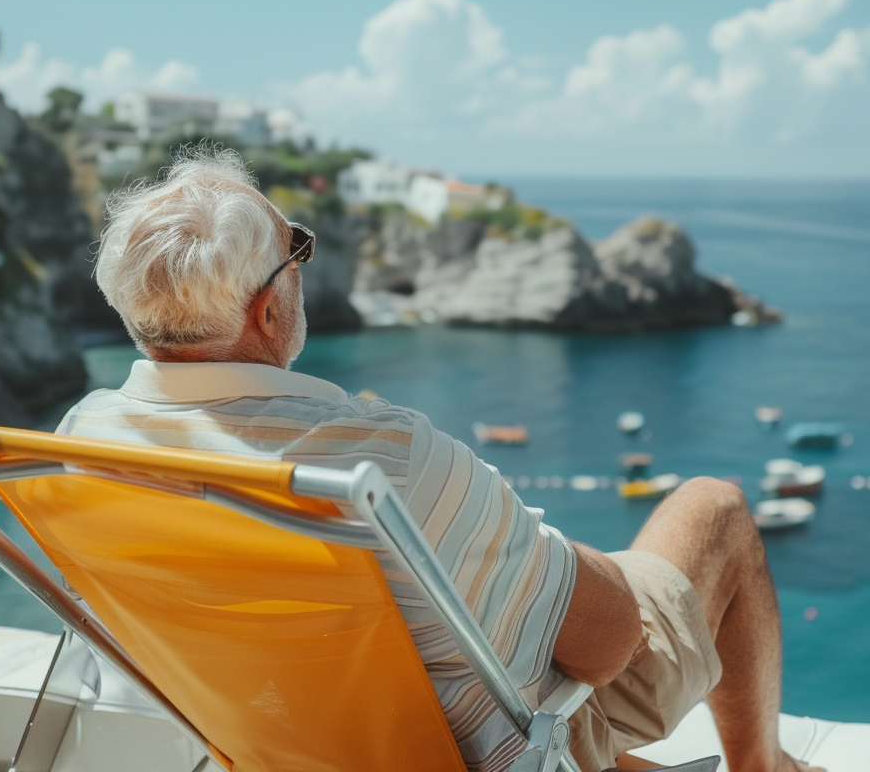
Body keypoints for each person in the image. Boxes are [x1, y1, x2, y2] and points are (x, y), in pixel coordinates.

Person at [65, 148, 821, 772]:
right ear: (267, 310)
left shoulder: (77, 448)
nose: (301, 267)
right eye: (296, 250)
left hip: (281, 737)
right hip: (470, 751)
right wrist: (538, 549)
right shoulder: (381, 464)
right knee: (712, 507)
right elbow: (606, 646)